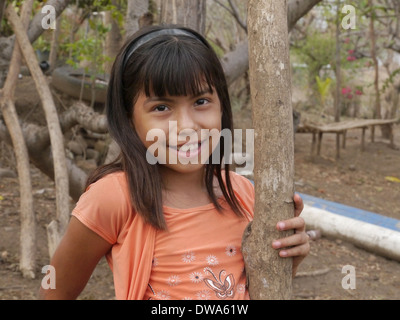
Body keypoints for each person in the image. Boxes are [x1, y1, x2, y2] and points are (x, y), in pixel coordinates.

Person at [39, 25, 310, 300]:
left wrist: (288, 260)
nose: (186, 126)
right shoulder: (114, 198)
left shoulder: (245, 195)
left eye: (201, 101)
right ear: (128, 117)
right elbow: (55, 292)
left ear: (222, 107)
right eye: (161, 108)